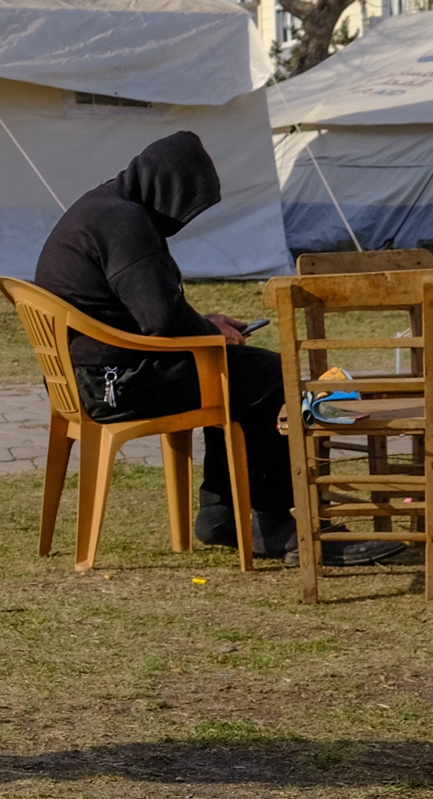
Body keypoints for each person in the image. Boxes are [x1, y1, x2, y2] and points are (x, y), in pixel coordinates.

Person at [34, 130, 402, 567]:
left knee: (235, 373)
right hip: (117, 385)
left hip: (94, 377)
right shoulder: (123, 222)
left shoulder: (100, 208)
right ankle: (273, 523)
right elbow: (163, 320)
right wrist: (208, 336)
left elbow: (143, 308)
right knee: (272, 379)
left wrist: (207, 326)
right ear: (170, 190)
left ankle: (221, 514)